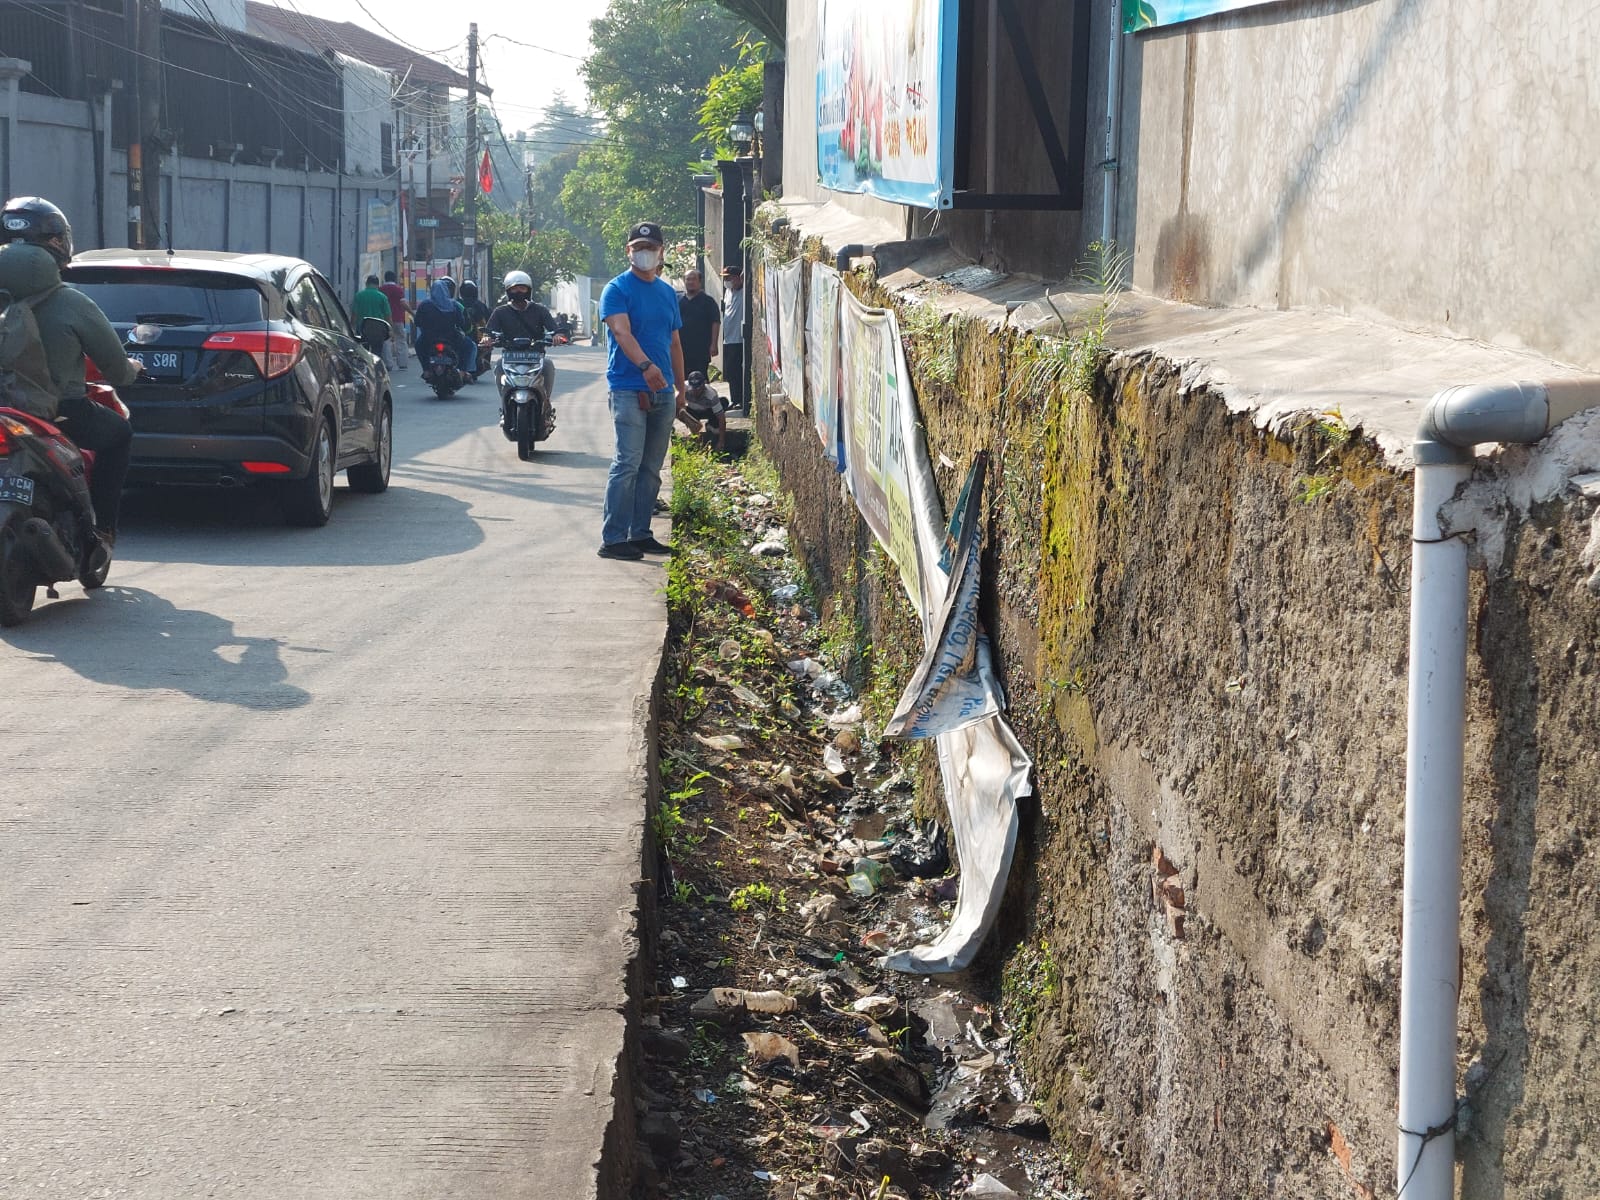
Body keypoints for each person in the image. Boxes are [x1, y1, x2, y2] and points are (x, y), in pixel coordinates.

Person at [0, 196, 141, 560]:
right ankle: (103, 528)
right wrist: (133, 370)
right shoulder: (72, 302)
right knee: (120, 435)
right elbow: (116, 370)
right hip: (62, 412)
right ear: (58, 243)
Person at [597, 220, 690, 561]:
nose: (644, 254)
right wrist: (645, 366)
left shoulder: (667, 292)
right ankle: (613, 537)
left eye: (650, 249)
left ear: (661, 252)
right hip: (628, 387)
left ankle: (640, 532)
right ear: (628, 252)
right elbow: (622, 333)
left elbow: (675, 342)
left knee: (652, 467)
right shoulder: (617, 289)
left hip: (664, 391)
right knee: (628, 462)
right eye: (638, 248)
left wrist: (680, 388)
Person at [486, 269, 558, 406]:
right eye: (514, 289)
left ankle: (546, 400)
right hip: (510, 358)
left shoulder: (540, 310)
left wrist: (558, 336)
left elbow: (554, 329)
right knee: (499, 366)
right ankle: (505, 401)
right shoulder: (500, 312)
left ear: (529, 290)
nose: (518, 292)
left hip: (535, 356)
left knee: (548, 365)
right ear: (508, 291)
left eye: (522, 288)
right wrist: (486, 339)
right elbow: (489, 331)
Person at [412, 279, 474, 378]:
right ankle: (462, 371)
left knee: (418, 345)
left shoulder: (425, 304)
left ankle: (426, 370)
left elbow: (417, 322)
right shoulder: (453, 304)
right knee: (469, 345)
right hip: (451, 337)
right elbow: (461, 322)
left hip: (429, 338)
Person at [678, 268, 720, 382]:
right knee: (683, 379)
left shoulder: (708, 301)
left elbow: (715, 322)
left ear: (699, 282)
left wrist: (714, 344)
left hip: (701, 349)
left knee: (700, 379)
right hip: (681, 348)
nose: (690, 282)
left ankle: (704, 400)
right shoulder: (678, 301)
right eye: (688, 279)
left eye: (693, 279)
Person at [718, 263, 746, 415]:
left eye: (729, 278)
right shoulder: (728, 292)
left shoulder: (743, 293)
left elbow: (748, 279)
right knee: (730, 371)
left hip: (739, 339)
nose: (727, 281)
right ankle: (735, 399)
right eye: (725, 278)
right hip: (728, 339)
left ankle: (740, 400)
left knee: (737, 371)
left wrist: (743, 279)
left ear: (737, 278)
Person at [679, 370, 725, 451]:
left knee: (724, 402)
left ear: (704, 385)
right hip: (692, 411)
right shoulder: (684, 388)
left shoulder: (711, 395)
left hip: (708, 411)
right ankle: (694, 426)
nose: (696, 391)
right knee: (676, 409)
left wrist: (721, 441)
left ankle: (710, 425)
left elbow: (721, 418)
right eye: (693, 389)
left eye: (698, 388)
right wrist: (687, 419)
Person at [379, 270, 410, 370]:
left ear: (385, 278)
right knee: (401, 340)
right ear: (394, 278)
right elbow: (403, 303)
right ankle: (402, 363)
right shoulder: (398, 289)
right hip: (398, 318)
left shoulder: (381, 289)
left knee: (386, 341)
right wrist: (412, 313)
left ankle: (388, 364)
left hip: (385, 320)